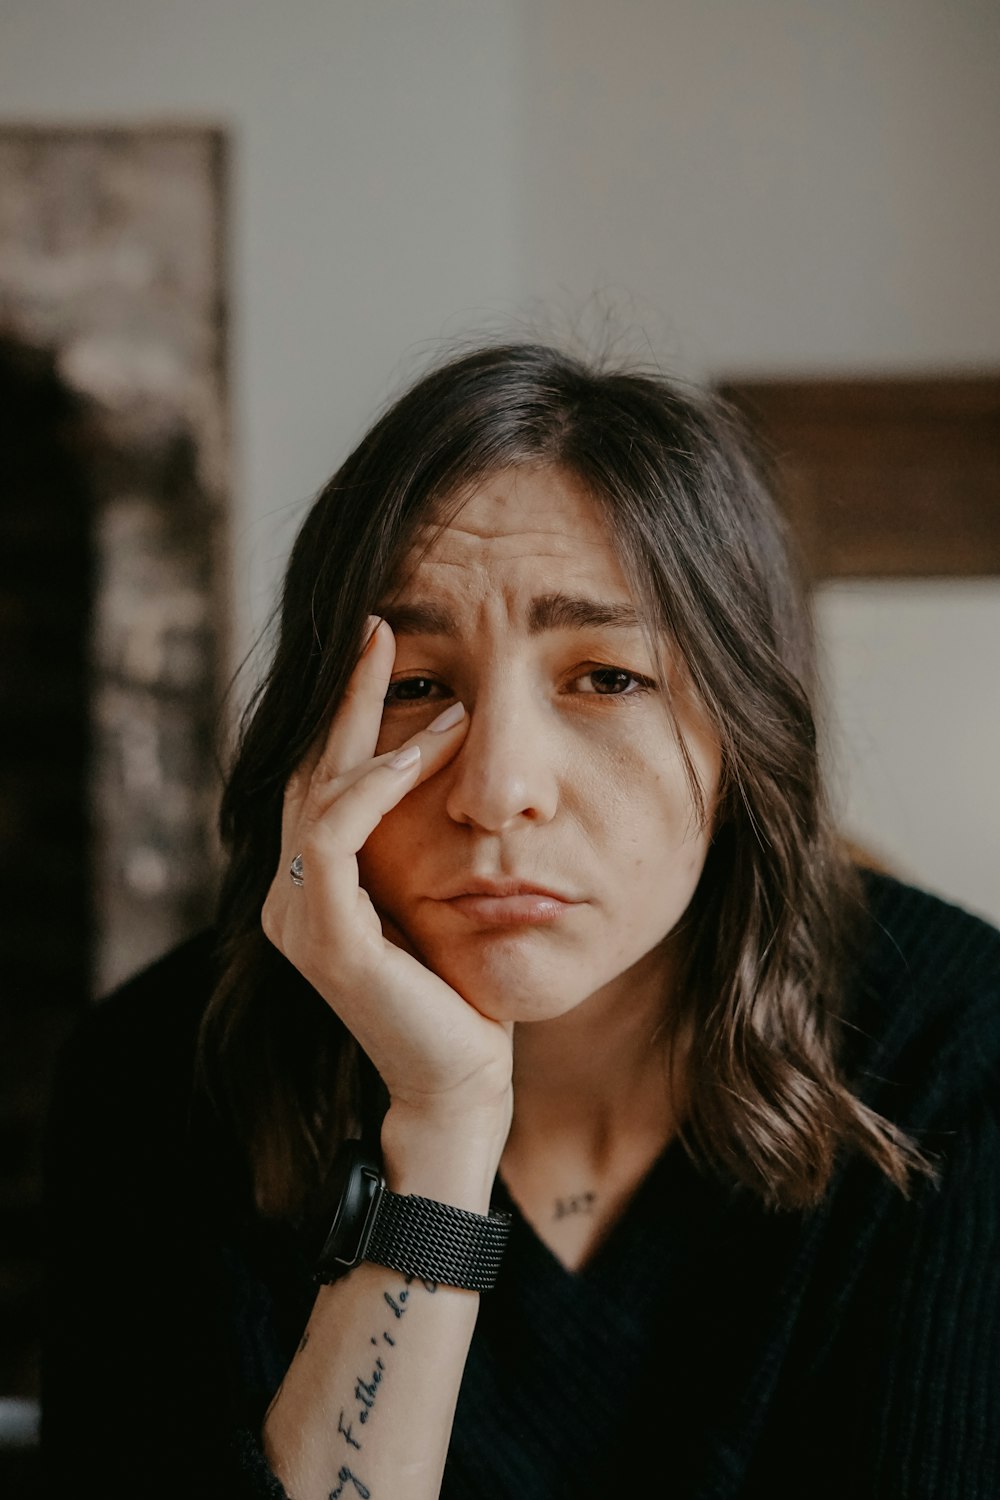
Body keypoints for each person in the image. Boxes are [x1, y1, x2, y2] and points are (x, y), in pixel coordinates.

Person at [41, 340, 1000, 1500]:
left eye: (605, 678)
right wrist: (441, 1134)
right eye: (416, 686)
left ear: (740, 734)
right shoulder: (157, 1076)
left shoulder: (956, 1051)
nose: (498, 790)